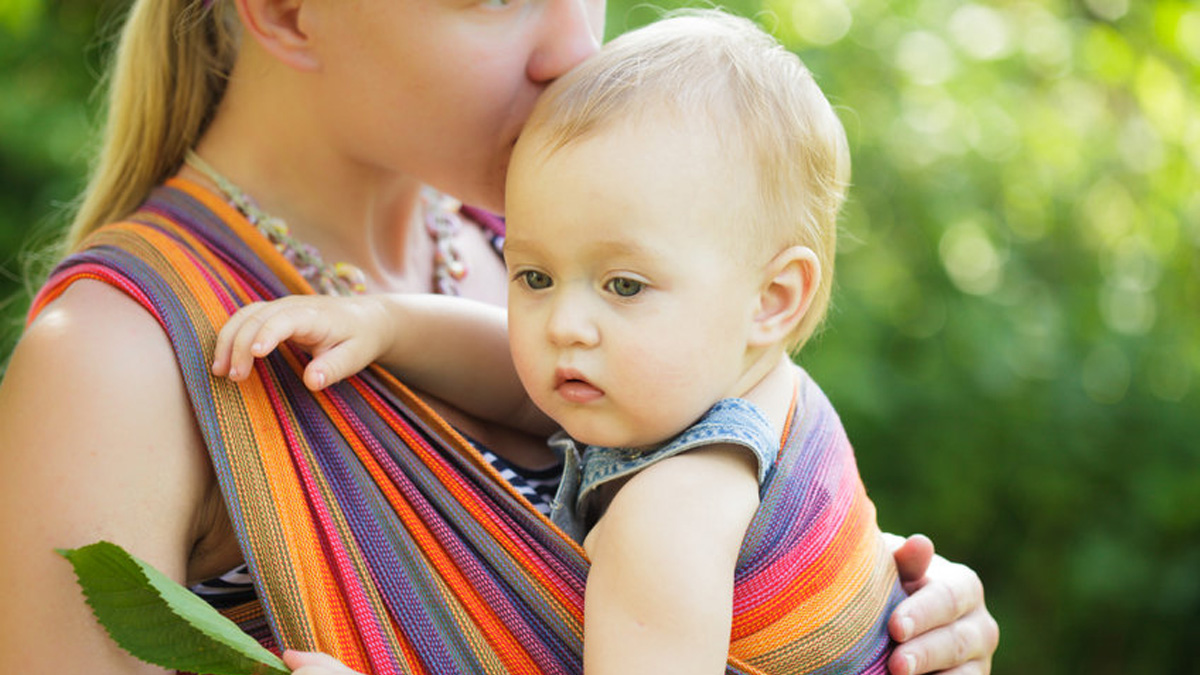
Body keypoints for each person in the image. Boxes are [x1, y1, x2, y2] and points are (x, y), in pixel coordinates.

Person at [0, 1, 997, 674]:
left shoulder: (550, 260)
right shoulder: (120, 358)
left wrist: (883, 616)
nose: (573, 47)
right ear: (289, 10)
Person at [213, 11, 919, 673]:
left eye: (624, 286)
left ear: (774, 298)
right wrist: (385, 325)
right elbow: (516, 380)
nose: (564, 326)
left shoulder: (670, 517)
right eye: (535, 275)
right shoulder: (746, 386)